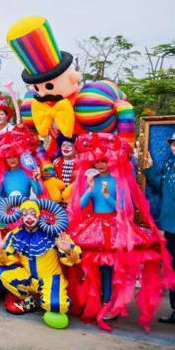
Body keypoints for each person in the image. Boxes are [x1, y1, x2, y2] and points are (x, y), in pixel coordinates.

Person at [68, 133, 175, 331]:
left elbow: (122, 208)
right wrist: (90, 190)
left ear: (110, 162)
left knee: (110, 268)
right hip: (94, 226)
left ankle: (109, 302)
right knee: (95, 268)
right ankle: (102, 299)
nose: (100, 165)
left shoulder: (118, 181)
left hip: (113, 226)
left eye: (103, 161)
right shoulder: (92, 180)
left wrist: (108, 195)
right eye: (97, 161)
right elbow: (81, 205)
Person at [0, 197, 80, 329]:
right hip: (28, 278)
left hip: (50, 279)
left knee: (56, 306)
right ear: (20, 216)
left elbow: (74, 260)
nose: (29, 217)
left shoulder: (53, 234)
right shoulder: (15, 234)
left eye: (33, 214)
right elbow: (6, 261)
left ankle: (53, 297)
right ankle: (29, 300)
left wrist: (68, 251)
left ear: (39, 215)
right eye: (25, 214)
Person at [144, 131, 175, 324]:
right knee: (172, 267)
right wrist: (150, 169)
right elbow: (161, 185)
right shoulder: (170, 164)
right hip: (171, 225)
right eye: (173, 144)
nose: (174, 148)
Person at [0, 131, 43, 212]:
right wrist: (9, 203)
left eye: (15, 156)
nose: (12, 160)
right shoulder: (4, 175)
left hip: (26, 211)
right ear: (4, 159)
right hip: (10, 213)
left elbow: (39, 192)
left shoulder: (27, 173)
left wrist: (36, 180)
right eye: (9, 157)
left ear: (20, 156)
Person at [53, 136, 78, 204]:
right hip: (59, 201)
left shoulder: (81, 162)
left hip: (75, 200)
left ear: (75, 148)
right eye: (63, 145)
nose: (66, 147)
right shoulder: (56, 162)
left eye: (69, 145)